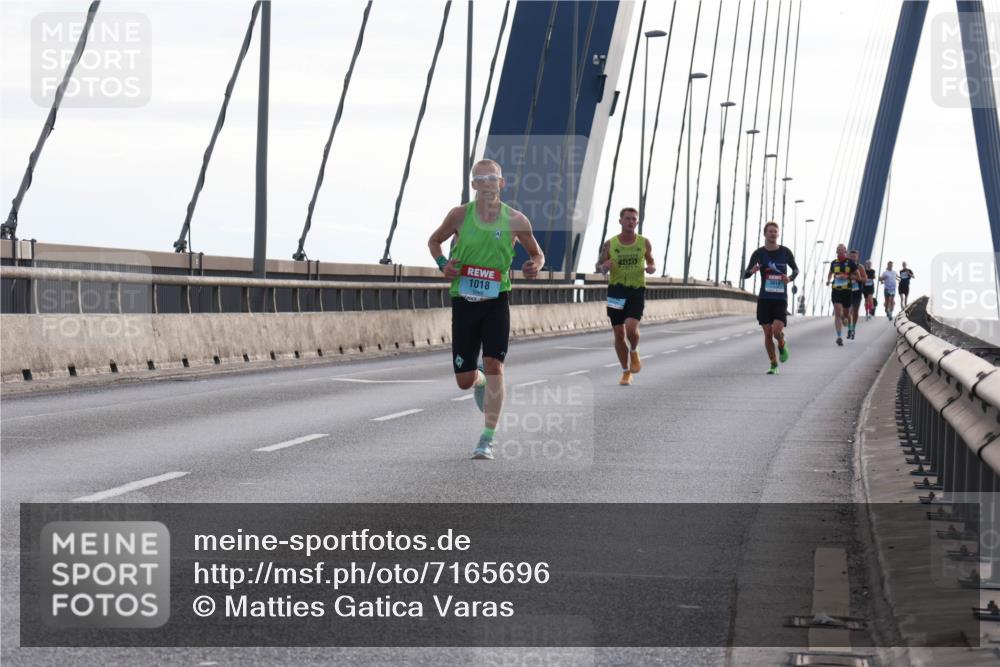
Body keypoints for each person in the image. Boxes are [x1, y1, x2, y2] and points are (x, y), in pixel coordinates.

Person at [427, 159, 545, 460]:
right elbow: (434, 241)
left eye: (492, 178)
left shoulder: (516, 219)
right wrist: (444, 264)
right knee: (464, 380)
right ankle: (478, 377)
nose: (487, 183)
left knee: (496, 365)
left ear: (501, 183)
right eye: (480, 179)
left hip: (497, 300)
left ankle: (486, 439)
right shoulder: (458, 215)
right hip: (464, 300)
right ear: (474, 185)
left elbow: (537, 253)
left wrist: (534, 266)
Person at [596, 207, 656, 385]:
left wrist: (651, 267)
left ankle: (635, 351)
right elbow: (599, 266)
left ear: (637, 223)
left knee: (631, 328)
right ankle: (625, 371)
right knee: (619, 334)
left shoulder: (644, 242)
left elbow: (651, 260)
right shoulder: (610, 244)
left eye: (634, 219)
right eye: (627, 218)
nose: (631, 222)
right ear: (620, 221)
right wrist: (604, 266)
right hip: (616, 290)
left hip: (636, 290)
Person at [743, 221, 798, 374]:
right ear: (765, 234)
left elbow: (796, 269)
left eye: (775, 231)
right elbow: (745, 274)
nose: (773, 234)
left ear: (778, 234)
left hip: (780, 299)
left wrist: (790, 278)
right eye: (770, 231)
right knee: (767, 333)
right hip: (765, 299)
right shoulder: (759, 253)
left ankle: (781, 343)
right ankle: (774, 365)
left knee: (776, 331)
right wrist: (752, 271)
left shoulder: (785, 252)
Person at [826, 244, 859, 346]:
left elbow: (857, 276)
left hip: (847, 291)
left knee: (846, 314)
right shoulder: (834, 263)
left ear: (845, 251)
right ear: (836, 251)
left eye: (842, 249)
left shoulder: (850, 263)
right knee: (838, 313)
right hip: (836, 291)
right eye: (838, 249)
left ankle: (849, 327)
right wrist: (828, 280)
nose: (840, 251)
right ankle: (839, 337)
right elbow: (830, 273)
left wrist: (847, 276)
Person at [847, 250, 864, 339]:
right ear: (848, 257)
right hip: (847, 292)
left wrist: (856, 278)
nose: (853, 258)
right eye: (851, 256)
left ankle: (853, 328)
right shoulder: (845, 266)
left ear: (857, 257)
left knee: (855, 312)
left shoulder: (860, 267)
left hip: (857, 292)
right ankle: (849, 328)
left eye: (854, 256)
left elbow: (865, 279)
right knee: (848, 312)